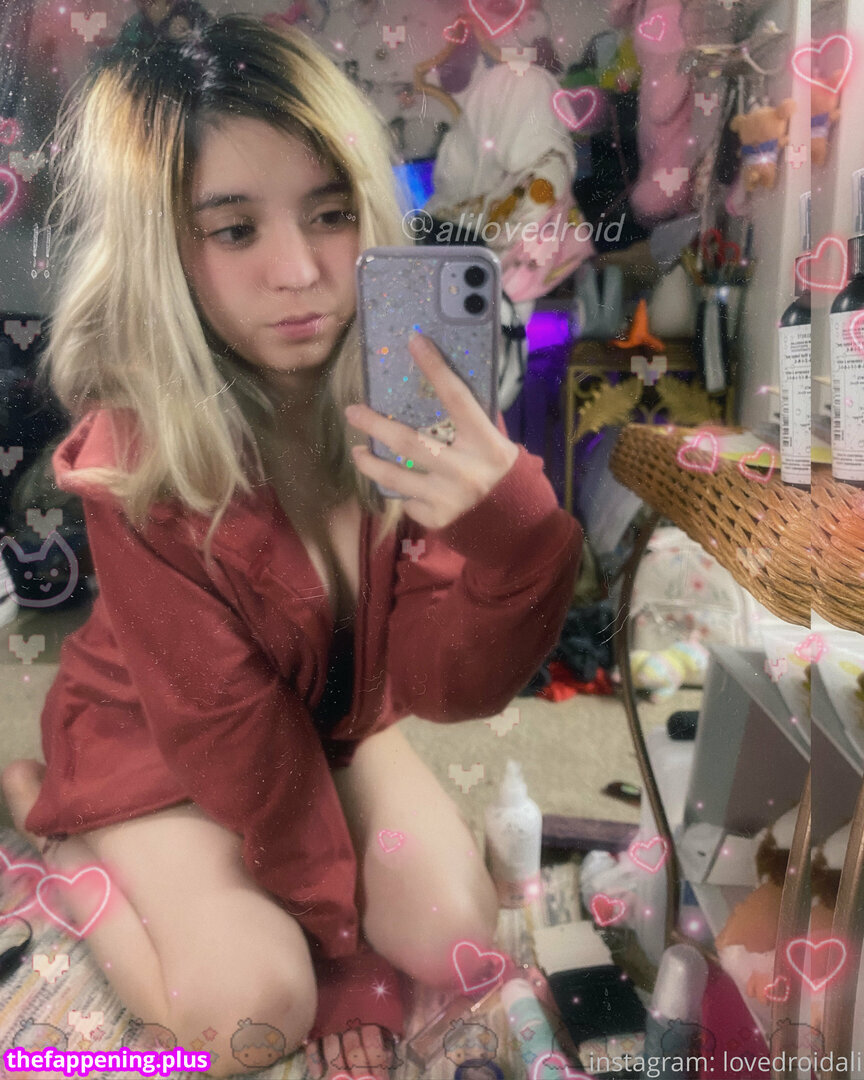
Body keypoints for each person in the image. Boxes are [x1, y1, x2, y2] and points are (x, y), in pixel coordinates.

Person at [1, 16, 582, 1078]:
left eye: (330, 212)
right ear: (165, 250)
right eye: (233, 230)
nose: (303, 270)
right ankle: (65, 846)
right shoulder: (136, 463)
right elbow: (234, 741)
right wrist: (339, 957)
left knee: (458, 935)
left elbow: (440, 684)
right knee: (255, 1011)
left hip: (331, 715)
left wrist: (518, 547)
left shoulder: (403, 402)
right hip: (161, 743)